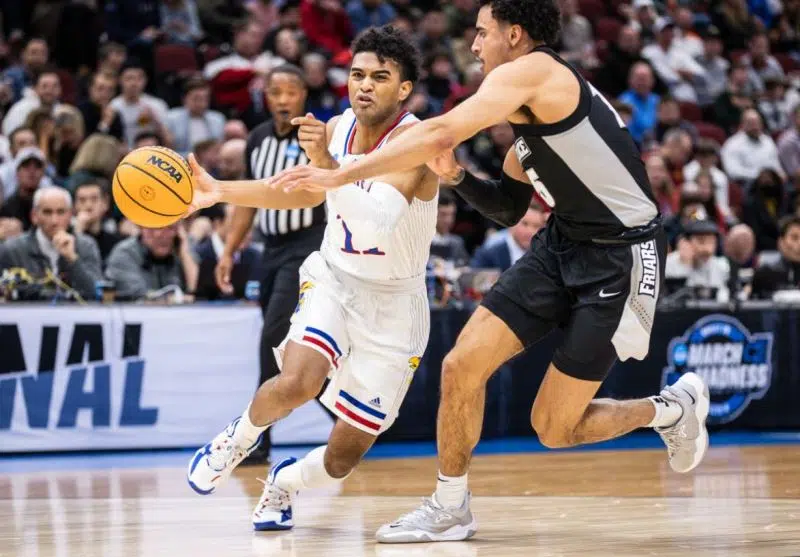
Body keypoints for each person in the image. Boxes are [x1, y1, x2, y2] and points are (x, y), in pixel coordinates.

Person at [270, 0, 711, 542]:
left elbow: (436, 133)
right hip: (562, 242)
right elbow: (506, 207)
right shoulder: (528, 111)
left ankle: (667, 409)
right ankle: (450, 505)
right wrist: (455, 175)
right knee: (461, 365)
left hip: (622, 257)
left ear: (515, 34)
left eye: (482, 33)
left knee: (554, 428)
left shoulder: (535, 72)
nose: (474, 46)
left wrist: (342, 174)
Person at [185, 25, 439, 533]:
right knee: (298, 381)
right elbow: (300, 192)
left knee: (345, 454)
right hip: (336, 279)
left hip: (395, 305)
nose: (364, 85)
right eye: (357, 74)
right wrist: (220, 191)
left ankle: (285, 482)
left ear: (404, 89)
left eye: (380, 77)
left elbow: (375, 221)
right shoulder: (340, 126)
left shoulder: (416, 143)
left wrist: (326, 165)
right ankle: (238, 439)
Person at [214, 65, 327, 465]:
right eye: (274, 92)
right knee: (284, 345)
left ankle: (258, 439)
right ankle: (346, 418)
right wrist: (229, 250)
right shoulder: (257, 139)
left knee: (271, 338)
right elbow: (249, 199)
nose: (282, 100)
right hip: (270, 249)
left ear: (303, 95)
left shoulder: (318, 137)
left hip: (310, 244)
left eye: (290, 92)